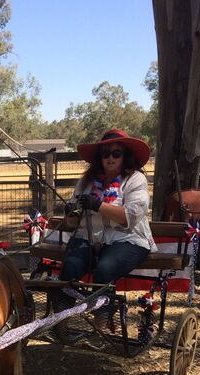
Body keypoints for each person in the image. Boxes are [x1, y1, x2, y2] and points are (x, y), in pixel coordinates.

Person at [59, 128, 157, 329]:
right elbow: (70, 224)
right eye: (105, 154)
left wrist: (97, 205)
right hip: (90, 239)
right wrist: (70, 212)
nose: (110, 159)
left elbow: (129, 217)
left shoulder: (135, 179)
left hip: (127, 240)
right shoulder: (86, 182)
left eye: (116, 154)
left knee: (105, 269)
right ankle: (61, 322)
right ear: (99, 158)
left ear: (125, 157)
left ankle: (101, 326)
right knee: (69, 267)